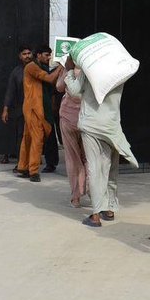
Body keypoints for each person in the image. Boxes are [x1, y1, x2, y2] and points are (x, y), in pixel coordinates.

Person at [62, 54, 138, 227]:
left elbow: (74, 91)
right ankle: (109, 209)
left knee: (95, 168)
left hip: (91, 124)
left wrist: (69, 70)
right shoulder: (119, 74)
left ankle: (95, 215)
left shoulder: (90, 72)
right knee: (110, 168)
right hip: (111, 126)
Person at [17, 46, 62, 182]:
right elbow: (49, 79)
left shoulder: (41, 67)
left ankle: (23, 167)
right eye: (46, 55)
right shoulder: (32, 66)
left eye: (50, 55)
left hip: (37, 108)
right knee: (37, 139)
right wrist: (62, 66)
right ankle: (34, 171)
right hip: (34, 109)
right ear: (39, 55)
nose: (49, 58)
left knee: (29, 138)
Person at [56, 71, 87, 208]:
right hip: (88, 119)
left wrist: (65, 69)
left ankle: (75, 197)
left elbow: (59, 87)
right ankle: (94, 193)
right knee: (90, 158)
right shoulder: (92, 68)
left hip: (68, 118)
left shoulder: (68, 70)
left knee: (72, 158)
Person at [2, 45, 33, 169]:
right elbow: (10, 91)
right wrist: (5, 109)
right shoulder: (17, 72)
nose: (27, 56)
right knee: (21, 135)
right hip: (21, 109)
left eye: (29, 53)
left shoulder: (37, 69)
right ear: (20, 56)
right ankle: (21, 163)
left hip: (36, 109)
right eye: (24, 54)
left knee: (35, 136)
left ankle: (32, 162)